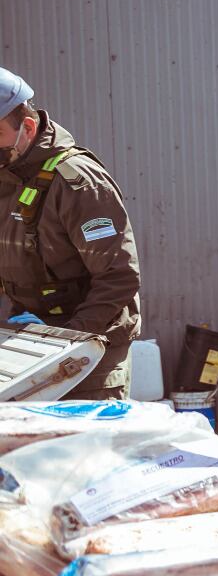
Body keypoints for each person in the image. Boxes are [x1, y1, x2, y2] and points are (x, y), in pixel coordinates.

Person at [0, 68, 141, 399]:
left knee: (85, 448)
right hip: (33, 345)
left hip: (89, 355)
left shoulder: (78, 181)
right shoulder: (8, 176)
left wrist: (65, 342)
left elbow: (119, 278)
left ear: (28, 127)